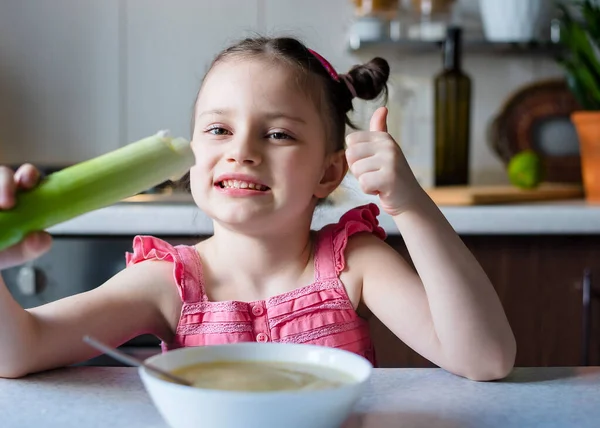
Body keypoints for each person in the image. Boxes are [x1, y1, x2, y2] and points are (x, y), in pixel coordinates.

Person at [0, 36, 516, 380]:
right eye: (219, 129)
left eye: (278, 134)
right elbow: (19, 350)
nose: (241, 150)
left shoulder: (352, 264)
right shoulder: (168, 283)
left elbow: (486, 359)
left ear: (328, 173)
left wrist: (413, 207)